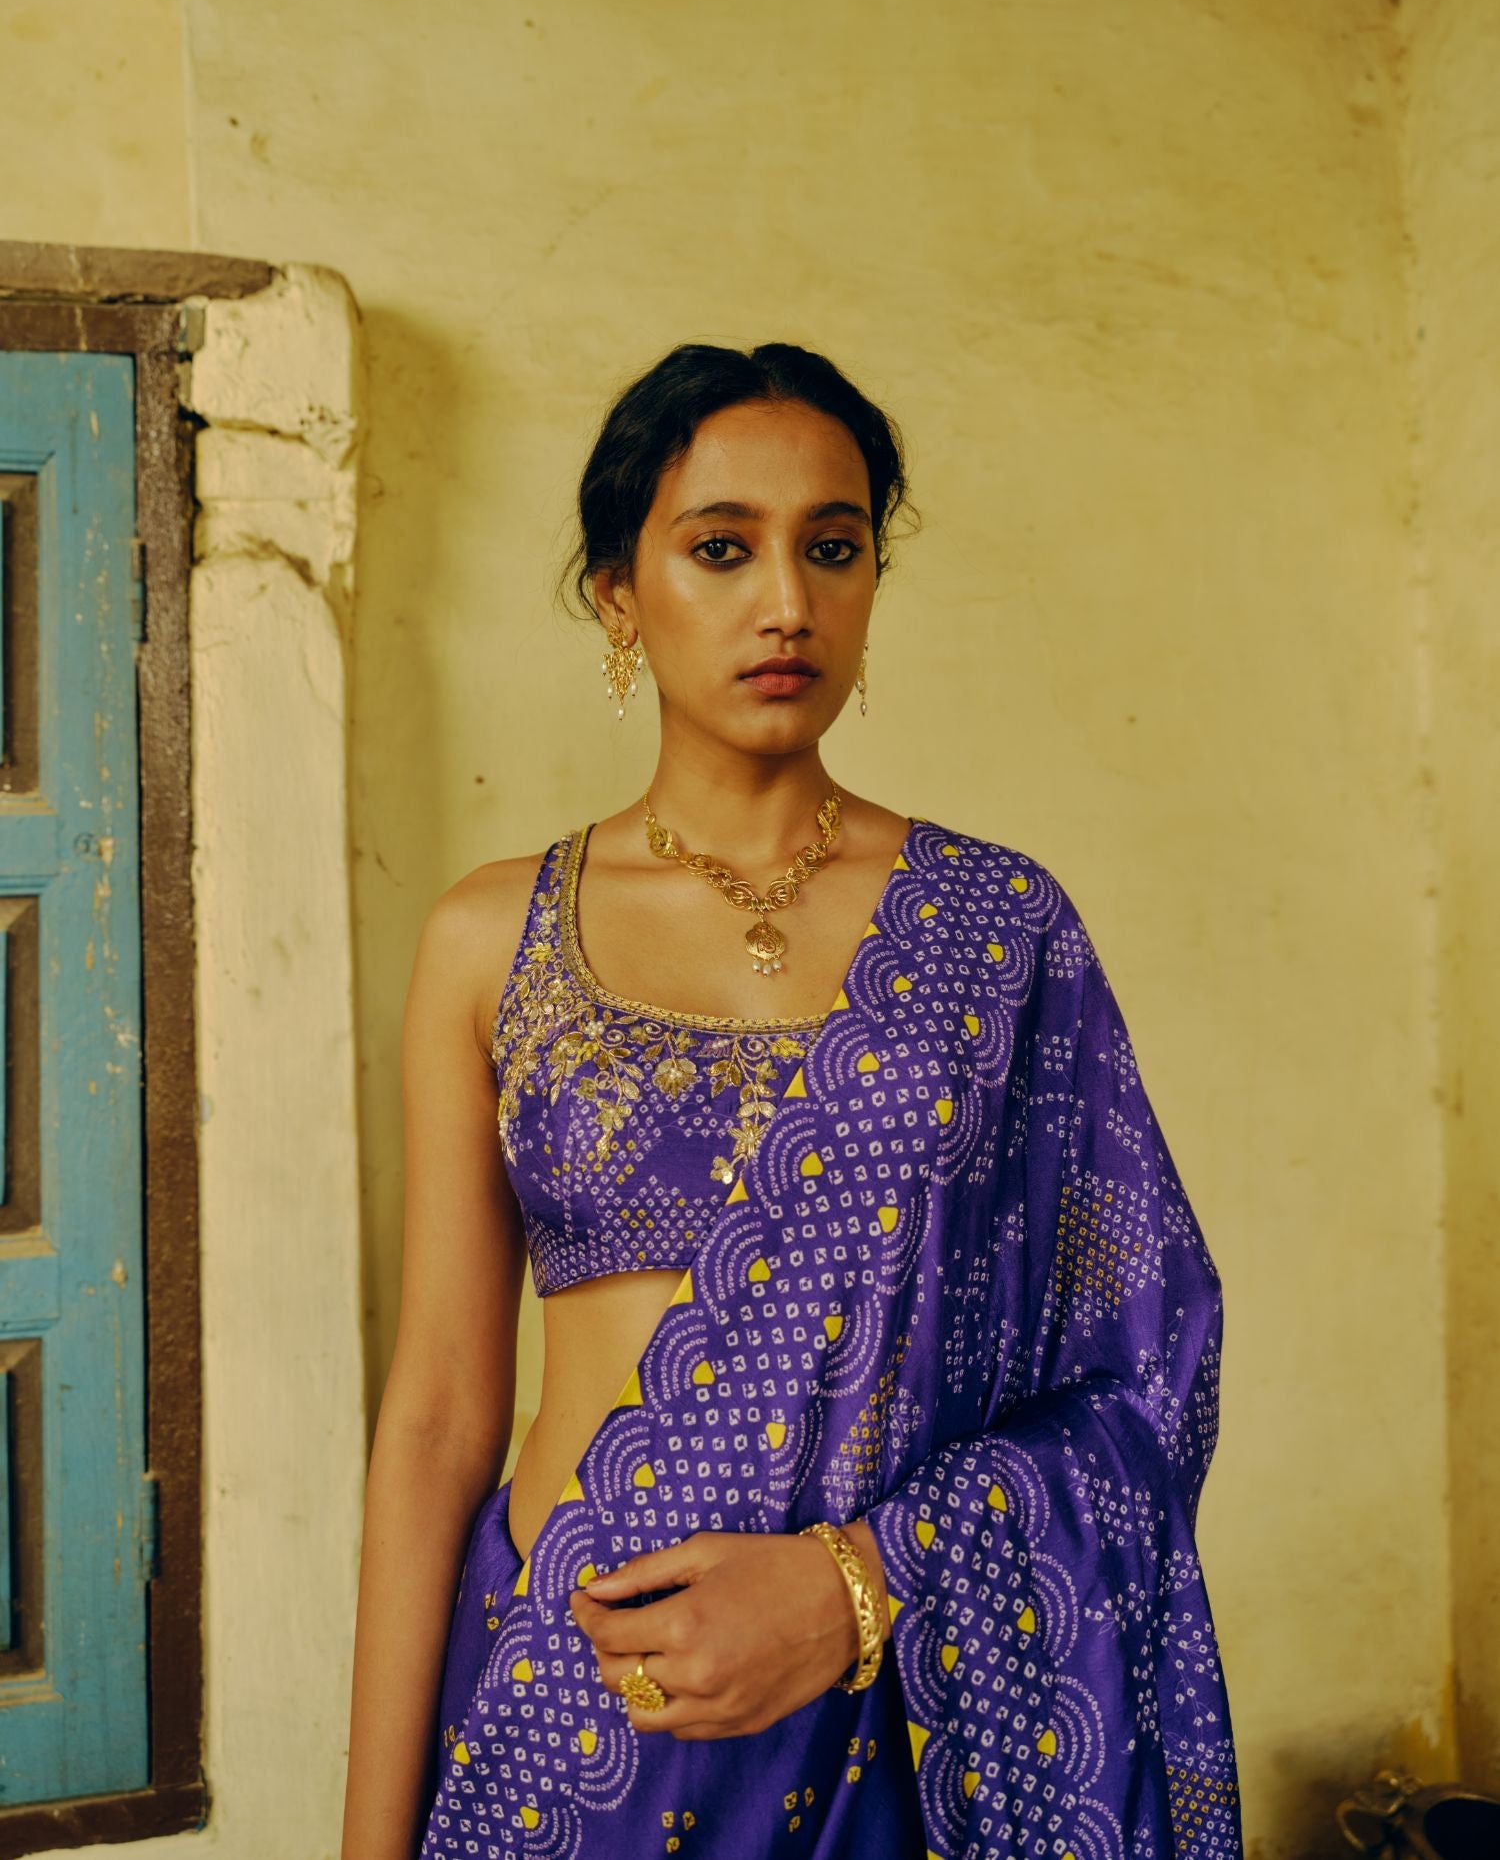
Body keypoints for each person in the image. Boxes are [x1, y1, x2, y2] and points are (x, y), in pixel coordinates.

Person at [341, 342, 1242, 1860]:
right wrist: (371, 1840)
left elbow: (1145, 1376)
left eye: (832, 548)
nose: (786, 603)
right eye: (720, 548)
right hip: (569, 1709)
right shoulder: (489, 938)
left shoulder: (998, 932)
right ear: (618, 595)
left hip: (890, 1719)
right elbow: (437, 1416)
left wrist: (854, 1588)